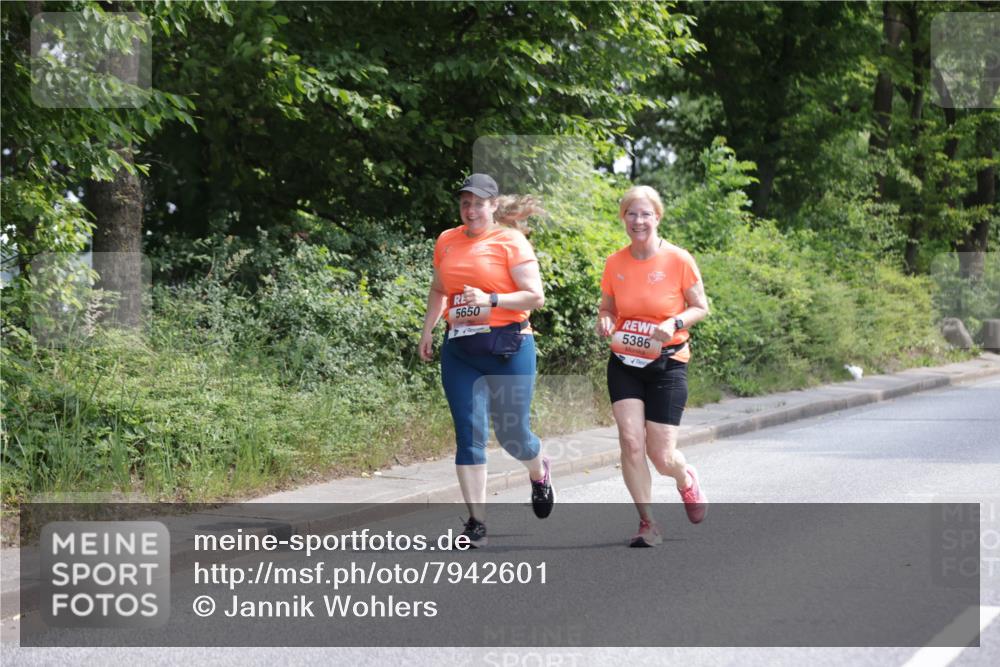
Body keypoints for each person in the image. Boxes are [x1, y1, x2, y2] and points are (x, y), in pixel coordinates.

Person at [419, 173, 553, 548]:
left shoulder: (510, 241)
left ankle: (538, 470)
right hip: (460, 350)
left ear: (493, 206)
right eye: (465, 202)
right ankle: (476, 523)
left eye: (479, 203)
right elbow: (438, 288)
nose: (471, 209)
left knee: (513, 435)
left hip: (507, 347)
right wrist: (428, 330)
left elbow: (534, 297)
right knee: (469, 434)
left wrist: (491, 300)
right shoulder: (446, 240)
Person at [596, 185, 710, 547]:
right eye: (631, 213)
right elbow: (608, 307)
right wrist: (604, 320)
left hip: (668, 363)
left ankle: (684, 477)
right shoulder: (615, 262)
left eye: (645, 213)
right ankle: (648, 523)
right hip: (625, 361)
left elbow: (701, 307)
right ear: (623, 218)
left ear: (657, 217)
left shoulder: (678, 259)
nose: (638, 220)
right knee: (631, 442)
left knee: (661, 456)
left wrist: (674, 323)